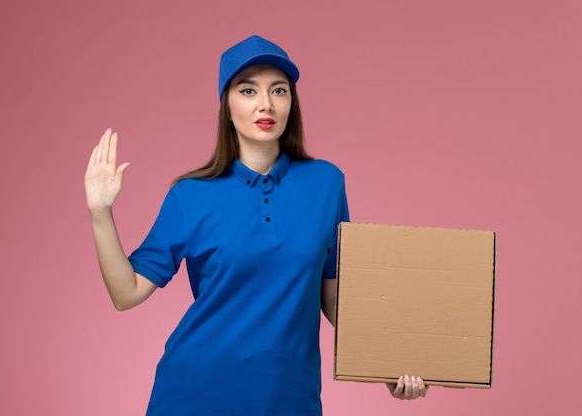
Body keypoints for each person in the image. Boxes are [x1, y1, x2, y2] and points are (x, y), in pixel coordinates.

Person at [85, 35, 428, 416]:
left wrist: (389, 364)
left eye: (278, 90)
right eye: (248, 90)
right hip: (194, 394)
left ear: (291, 104)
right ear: (226, 106)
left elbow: (334, 298)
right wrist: (100, 213)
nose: (265, 103)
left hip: (290, 398)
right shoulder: (190, 195)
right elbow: (126, 292)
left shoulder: (326, 184)